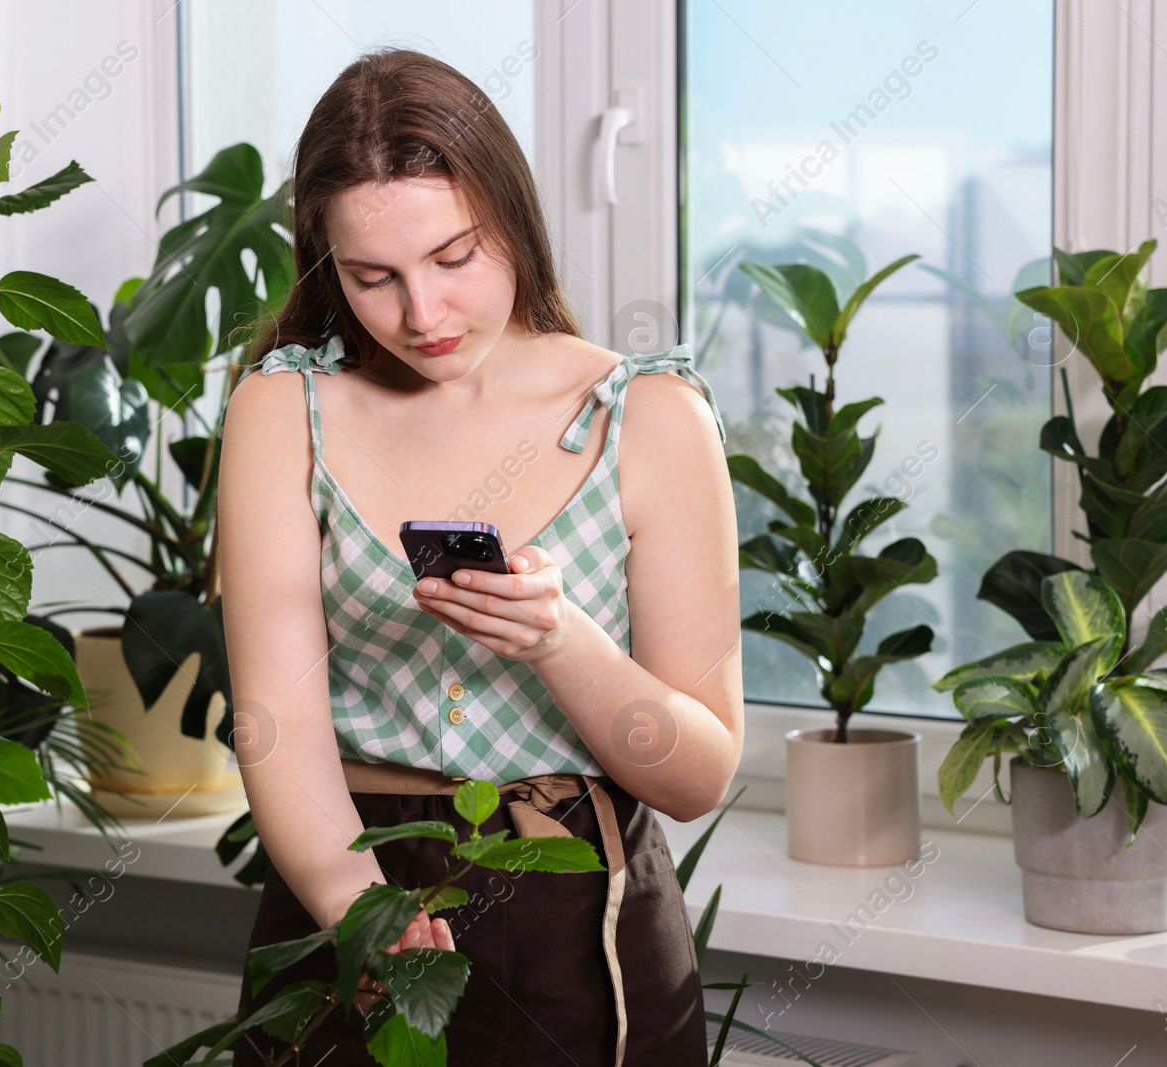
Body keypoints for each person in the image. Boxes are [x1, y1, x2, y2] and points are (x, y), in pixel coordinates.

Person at [216, 46, 743, 1067]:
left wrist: (561, 642)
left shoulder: (651, 419)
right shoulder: (283, 409)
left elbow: (698, 772)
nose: (421, 315)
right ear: (327, 263)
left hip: (576, 925)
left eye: (454, 259)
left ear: (514, 217)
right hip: (344, 888)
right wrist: (357, 914)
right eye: (373, 278)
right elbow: (274, 717)